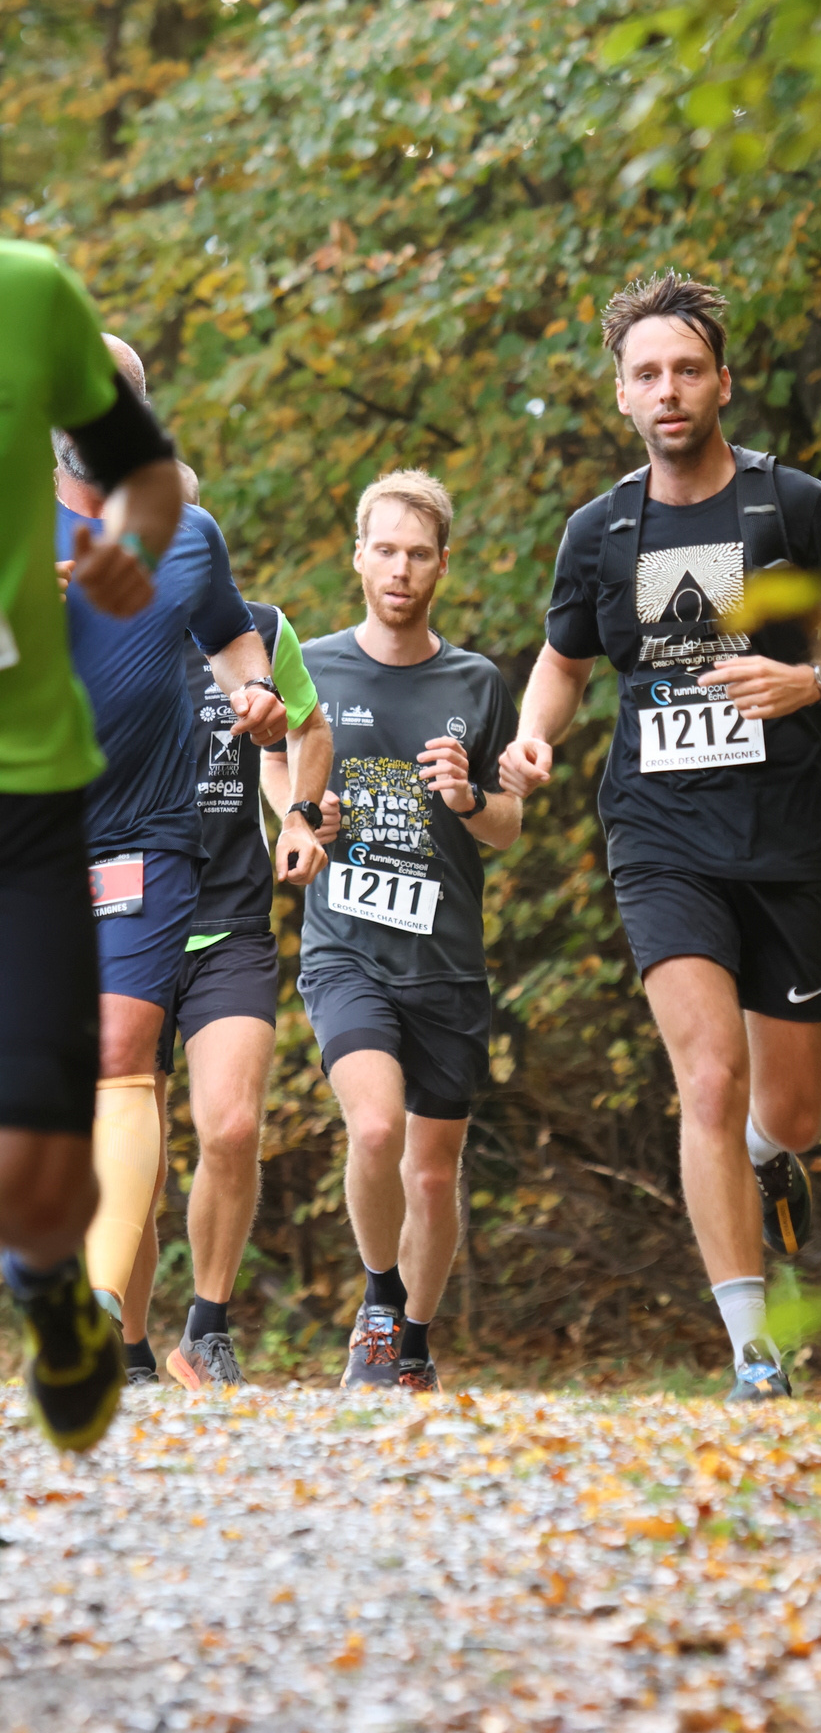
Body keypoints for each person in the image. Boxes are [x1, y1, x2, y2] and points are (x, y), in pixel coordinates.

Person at [498, 270, 821, 1402]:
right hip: (659, 834)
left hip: (789, 832)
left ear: (722, 383)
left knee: (791, 1115)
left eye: (687, 369)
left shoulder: (792, 506)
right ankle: (753, 1353)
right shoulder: (600, 531)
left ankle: (770, 1162)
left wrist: (810, 681)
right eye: (647, 374)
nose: (668, 390)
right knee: (710, 1080)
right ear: (621, 395)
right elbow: (562, 663)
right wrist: (532, 737)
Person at [55, 338, 288, 1345]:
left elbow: (231, 632)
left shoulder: (189, 533)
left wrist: (256, 688)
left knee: (120, 1052)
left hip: (146, 837)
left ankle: (101, 1304)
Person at [0, 237, 183, 1452]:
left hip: (24, 783)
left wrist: (131, 540)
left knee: (32, 1159)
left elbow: (150, 477)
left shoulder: (30, 295)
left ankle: (51, 1285)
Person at [281, 471, 520, 1393]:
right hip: (347, 951)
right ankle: (381, 1302)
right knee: (376, 1127)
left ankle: (412, 1341)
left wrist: (466, 799)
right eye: (385, 550)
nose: (401, 570)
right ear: (358, 557)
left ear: (443, 566)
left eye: (419, 554)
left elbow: (507, 826)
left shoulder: (477, 683)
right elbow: (276, 774)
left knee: (431, 1174)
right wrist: (305, 817)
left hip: (446, 963)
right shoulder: (315, 668)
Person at [121, 463, 333, 1392]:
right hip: (127, 918)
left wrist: (300, 815)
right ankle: (129, 1348)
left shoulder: (262, 633)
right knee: (136, 1149)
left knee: (234, 1125)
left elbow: (308, 732)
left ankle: (204, 1331)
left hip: (231, 918)